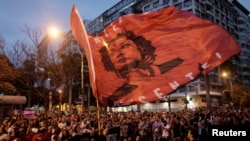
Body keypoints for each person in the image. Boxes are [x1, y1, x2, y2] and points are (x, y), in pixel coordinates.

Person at [99, 29, 184, 106]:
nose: (118, 53)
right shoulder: (118, 95)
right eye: (112, 53)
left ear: (141, 48)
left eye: (124, 46)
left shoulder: (177, 65)